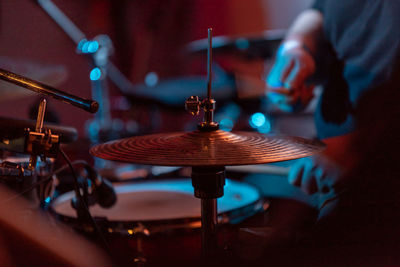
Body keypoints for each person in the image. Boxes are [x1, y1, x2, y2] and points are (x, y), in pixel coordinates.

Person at [266, 0, 400, 217]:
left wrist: (353, 151)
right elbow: (322, 11)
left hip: (378, 183)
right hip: (333, 169)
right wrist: (296, 48)